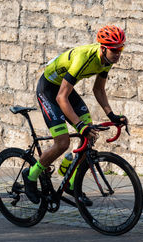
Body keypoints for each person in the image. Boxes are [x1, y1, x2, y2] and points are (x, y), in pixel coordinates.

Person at [22, 25, 128, 205]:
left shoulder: (106, 60)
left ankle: (71, 184)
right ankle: (31, 176)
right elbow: (61, 97)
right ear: (103, 48)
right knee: (63, 142)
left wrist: (112, 116)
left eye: (121, 49)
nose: (118, 53)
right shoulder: (83, 58)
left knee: (89, 137)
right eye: (114, 50)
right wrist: (79, 125)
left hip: (64, 89)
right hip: (49, 89)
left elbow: (98, 89)